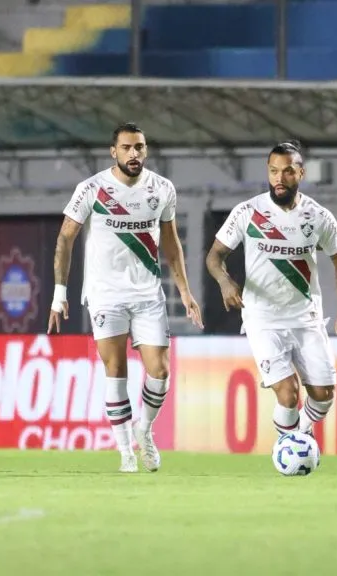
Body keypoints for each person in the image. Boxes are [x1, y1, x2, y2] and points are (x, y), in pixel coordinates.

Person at [48, 122, 203, 473]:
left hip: (148, 293)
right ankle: (125, 453)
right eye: (127, 148)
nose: (134, 154)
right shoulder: (92, 189)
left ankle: (143, 429)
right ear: (113, 151)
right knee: (115, 370)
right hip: (106, 294)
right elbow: (65, 239)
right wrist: (60, 294)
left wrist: (185, 291)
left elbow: (172, 244)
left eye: (140, 147)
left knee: (160, 371)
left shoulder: (162, 189)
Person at [206, 141, 337, 439]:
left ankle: (299, 434)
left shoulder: (318, 216)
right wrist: (224, 282)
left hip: (306, 317)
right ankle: (288, 446)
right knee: (288, 394)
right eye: (274, 171)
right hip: (262, 318)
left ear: (300, 173)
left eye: (287, 171)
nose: (279, 178)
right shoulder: (248, 212)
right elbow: (214, 256)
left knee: (324, 395)